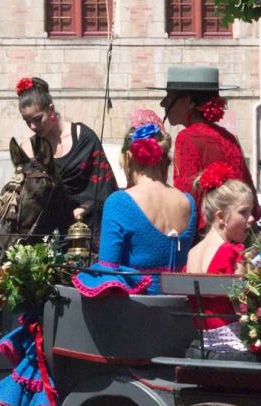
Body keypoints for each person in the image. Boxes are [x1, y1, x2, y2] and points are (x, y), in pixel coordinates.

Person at [72, 111, 196, 297]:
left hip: (136, 312)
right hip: (179, 311)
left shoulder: (120, 202)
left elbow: (109, 271)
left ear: (129, 157)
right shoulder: (188, 202)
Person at [16, 76, 118, 233]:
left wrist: (83, 210)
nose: (33, 126)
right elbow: (26, 199)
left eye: (37, 119)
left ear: (51, 109)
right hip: (49, 236)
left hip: (89, 230)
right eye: (27, 121)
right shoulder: (28, 149)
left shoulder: (84, 138)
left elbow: (106, 188)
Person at [159, 65, 257, 226]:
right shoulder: (228, 136)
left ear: (189, 101)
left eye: (169, 97)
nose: (163, 103)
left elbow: (188, 200)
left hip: (207, 235)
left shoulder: (187, 138)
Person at [183, 171, 256, 358]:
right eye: (243, 212)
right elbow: (242, 309)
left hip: (201, 345)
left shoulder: (192, 253)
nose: (252, 218)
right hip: (232, 348)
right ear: (221, 216)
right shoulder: (232, 252)